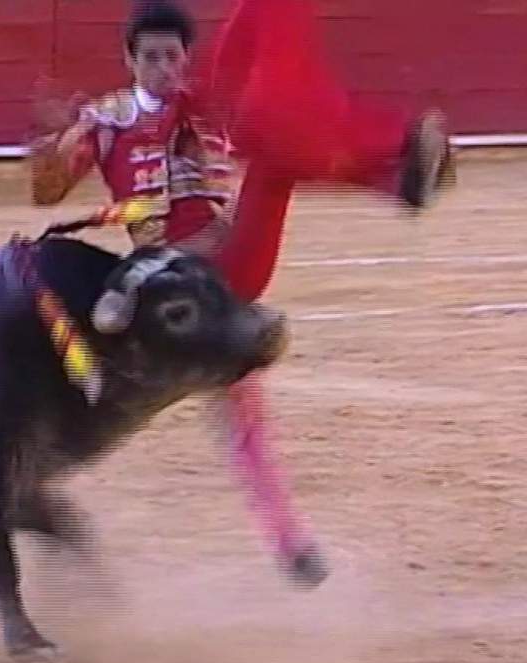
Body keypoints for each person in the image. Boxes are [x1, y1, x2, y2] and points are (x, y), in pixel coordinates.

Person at [26, 0, 455, 573]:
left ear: (186, 58)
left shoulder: (208, 101)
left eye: (172, 57)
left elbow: (272, 105)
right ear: (130, 60)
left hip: (230, 269)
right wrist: (55, 150)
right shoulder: (107, 121)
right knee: (237, 404)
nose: (163, 68)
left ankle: (398, 176)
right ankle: (289, 542)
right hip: (171, 294)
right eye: (150, 57)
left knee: (273, 140)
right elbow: (47, 192)